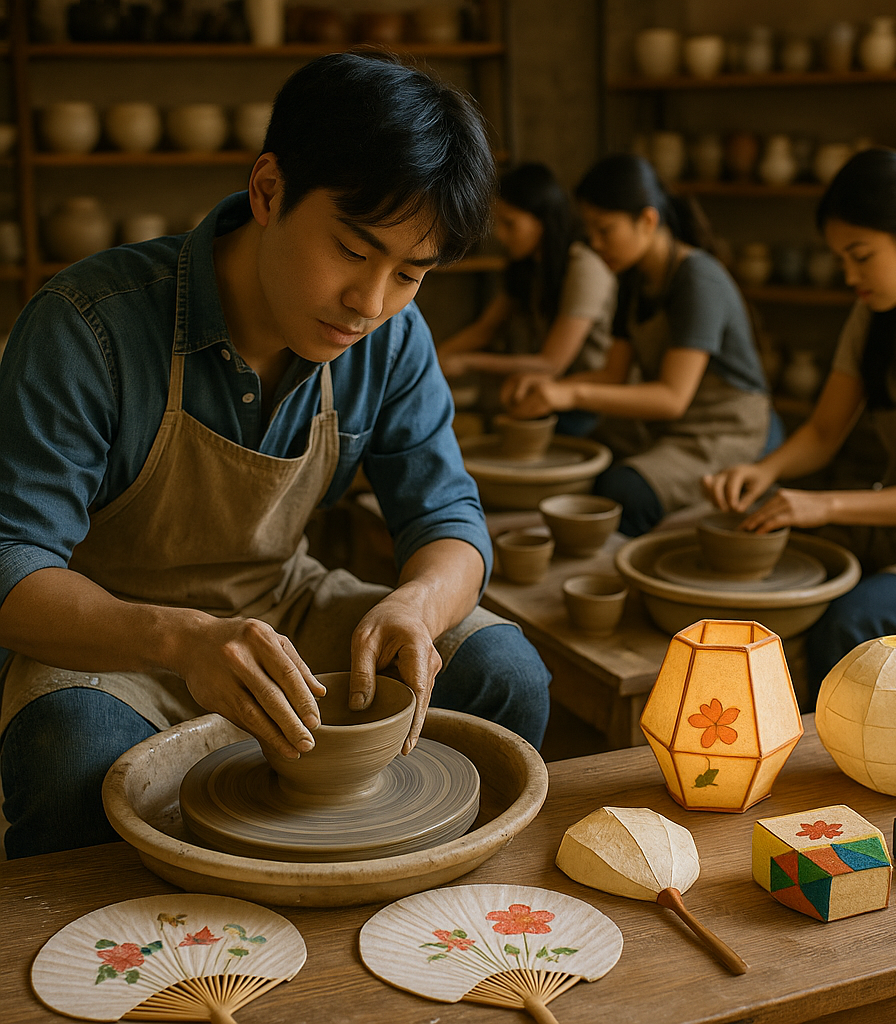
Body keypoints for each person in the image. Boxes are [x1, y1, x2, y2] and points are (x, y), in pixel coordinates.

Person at [0, 52, 551, 860]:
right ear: (267, 191)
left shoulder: (392, 338)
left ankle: (418, 907)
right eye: (353, 251)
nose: (370, 304)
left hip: (280, 611)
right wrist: (181, 640)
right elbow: (12, 566)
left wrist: (419, 606)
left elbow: (449, 520)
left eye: (410, 273)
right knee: (70, 754)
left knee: (505, 669)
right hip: (115, 637)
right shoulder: (88, 325)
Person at [704, 147, 896, 693]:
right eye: (841, 260)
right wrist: (764, 470)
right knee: (767, 564)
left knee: (854, 621)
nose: (850, 275)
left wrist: (825, 504)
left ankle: (826, 745)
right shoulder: (875, 310)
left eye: (861, 256)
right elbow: (824, 431)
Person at [502, 154, 771, 536]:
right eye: (590, 230)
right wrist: (549, 387)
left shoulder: (697, 280)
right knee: (571, 452)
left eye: (605, 230)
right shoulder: (632, 277)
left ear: (647, 220)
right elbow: (614, 373)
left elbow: (672, 398)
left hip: (723, 429)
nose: (595, 243)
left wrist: (570, 393)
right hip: (667, 425)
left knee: (624, 490)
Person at [436, 162, 617, 436]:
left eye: (510, 224)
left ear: (542, 221)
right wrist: (435, 358)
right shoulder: (526, 267)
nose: (500, 235)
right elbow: (485, 328)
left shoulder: (583, 266)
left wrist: (466, 362)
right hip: (545, 389)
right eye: (499, 224)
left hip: (589, 396)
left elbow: (551, 363)